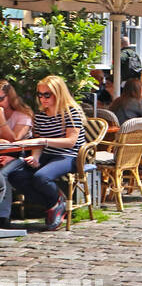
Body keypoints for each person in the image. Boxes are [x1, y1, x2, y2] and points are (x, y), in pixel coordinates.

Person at [6, 76, 86, 229]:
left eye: (47, 94)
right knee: (16, 176)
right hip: (47, 155)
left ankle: (55, 204)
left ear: (58, 93)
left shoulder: (71, 113)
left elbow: (71, 141)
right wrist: (35, 157)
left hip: (68, 155)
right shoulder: (41, 115)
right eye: (40, 94)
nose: (43, 98)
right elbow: (37, 141)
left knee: (41, 177)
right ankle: (55, 202)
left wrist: (44, 141)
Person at [0, 81, 35, 229]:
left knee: (2, 173)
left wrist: (1, 118)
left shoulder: (23, 116)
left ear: (10, 98)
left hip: (21, 156)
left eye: (1, 99)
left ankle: (3, 216)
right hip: (3, 154)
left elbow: (15, 140)